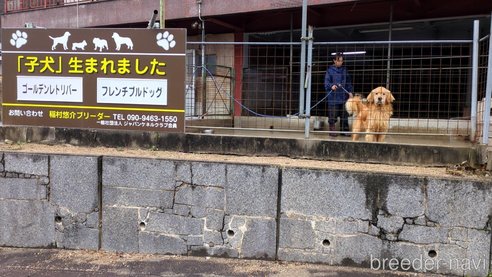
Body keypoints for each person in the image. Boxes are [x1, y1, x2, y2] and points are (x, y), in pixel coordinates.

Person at [324, 52, 353, 137]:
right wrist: (331, 86)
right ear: (334, 61)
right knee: (333, 115)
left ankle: (344, 130)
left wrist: (350, 92)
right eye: (338, 61)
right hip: (333, 97)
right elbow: (326, 83)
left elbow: (348, 82)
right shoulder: (329, 71)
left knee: (344, 114)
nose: (340, 62)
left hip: (343, 96)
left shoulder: (344, 70)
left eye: (341, 61)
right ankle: (332, 130)